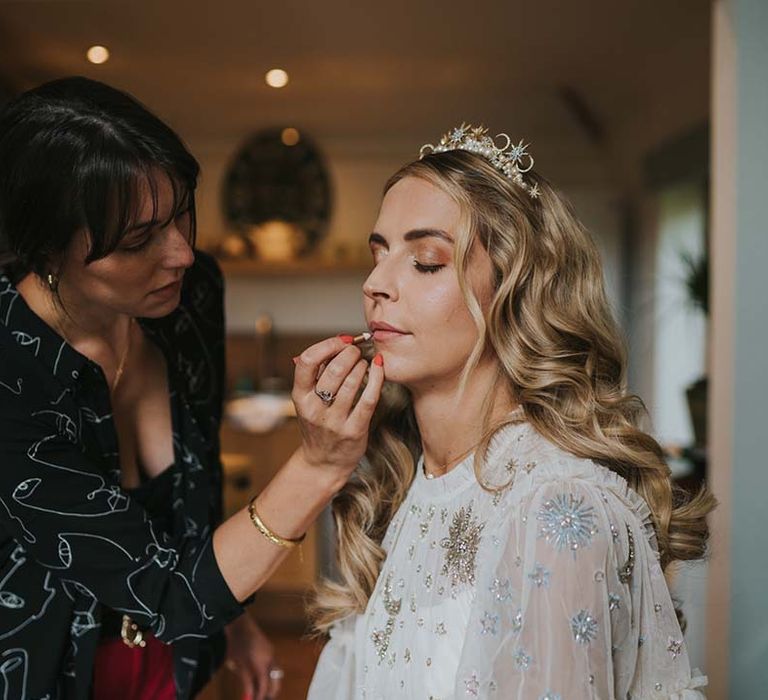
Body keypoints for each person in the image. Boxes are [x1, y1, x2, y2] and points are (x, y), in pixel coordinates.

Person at [0, 77, 384, 700]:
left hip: (172, 660)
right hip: (44, 669)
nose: (180, 252)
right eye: (139, 240)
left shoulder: (190, 296)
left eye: (181, 212)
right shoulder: (9, 376)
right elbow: (173, 592)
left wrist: (233, 620)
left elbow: (194, 501)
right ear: (50, 250)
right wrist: (317, 464)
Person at [307, 124, 717, 699]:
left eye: (426, 261)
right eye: (378, 254)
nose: (376, 283)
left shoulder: (556, 510)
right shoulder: (407, 484)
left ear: (514, 289)